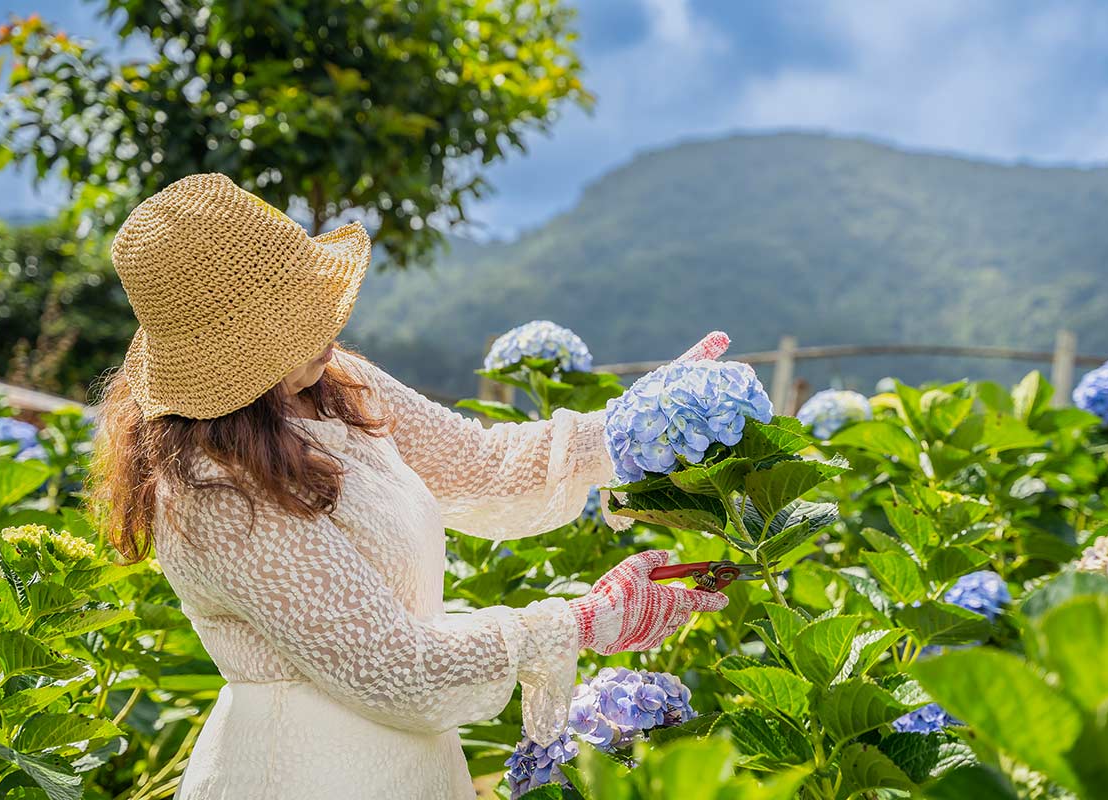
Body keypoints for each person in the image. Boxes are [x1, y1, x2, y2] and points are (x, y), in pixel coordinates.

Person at [89, 173, 731, 799]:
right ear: (231, 354)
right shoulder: (209, 489)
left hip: (416, 766)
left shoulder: (336, 385)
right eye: (293, 322)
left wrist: (631, 427)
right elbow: (394, 667)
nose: (327, 328)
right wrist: (586, 621)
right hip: (305, 774)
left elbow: (483, 464)